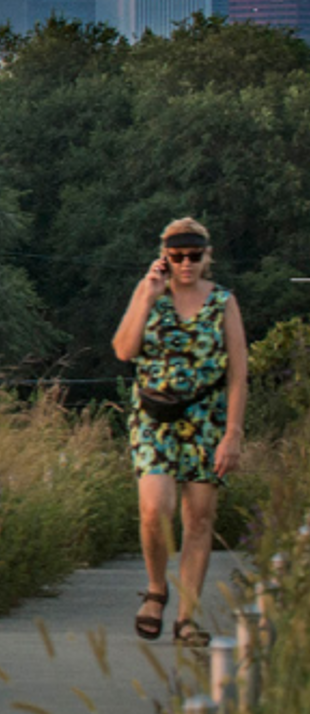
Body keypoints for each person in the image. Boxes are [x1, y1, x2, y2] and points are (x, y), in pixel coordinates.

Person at [111, 217, 247, 647]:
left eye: (193, 256)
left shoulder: (222, 301)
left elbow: (239, 375)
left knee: (199, 518)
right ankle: (156, 589)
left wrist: (233, 434)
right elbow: (124, 350)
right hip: (154, 417)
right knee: (155, 508)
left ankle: (186, 616)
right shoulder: (150, 293)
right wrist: (148, 295)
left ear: (207, 257)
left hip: (206, 418)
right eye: (177, 256)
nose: (185, 264)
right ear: (164, 257)